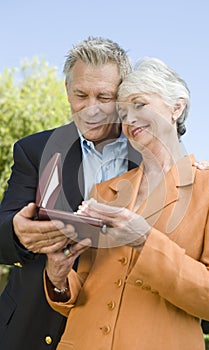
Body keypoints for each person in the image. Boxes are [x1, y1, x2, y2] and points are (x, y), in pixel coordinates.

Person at [44, 57, 209, 350]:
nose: (129, 119)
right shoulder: (103, 192)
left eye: (140, 105)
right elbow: (86, 289)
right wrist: (59, 278)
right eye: (122, 111)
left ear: (176, 107)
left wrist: (144, 239)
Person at [0, 37, 142, 350]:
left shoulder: (150, 157)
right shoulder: (34, 151)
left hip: (114, 328)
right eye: (80, 95)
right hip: (32, 325)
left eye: (104, 97)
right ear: (67, 90)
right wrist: (16, 232)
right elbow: (2, 233)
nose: (91, 109)